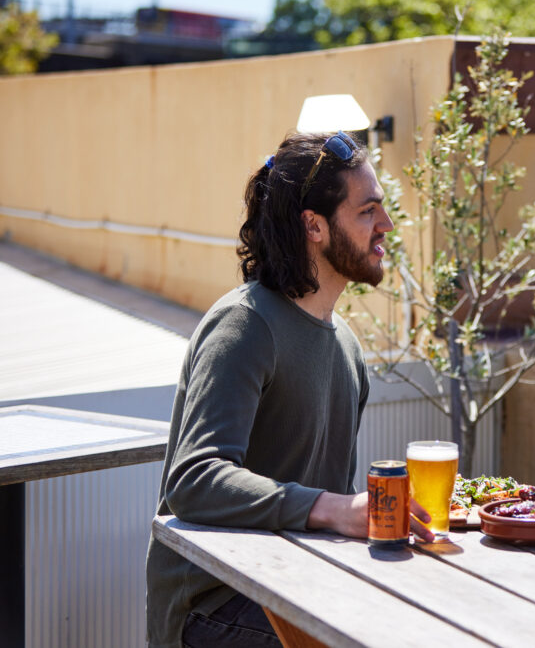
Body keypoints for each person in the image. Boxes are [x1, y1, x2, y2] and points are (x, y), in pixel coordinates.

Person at [145, 130, 433, 648]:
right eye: (368, 211)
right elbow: (195, 480)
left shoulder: (346, 347)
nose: (387, 225)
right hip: (214, 603)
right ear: (314, 225)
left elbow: (324, 509)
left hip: (302, 583)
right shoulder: (244, 325)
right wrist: (337, 508)